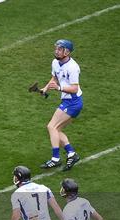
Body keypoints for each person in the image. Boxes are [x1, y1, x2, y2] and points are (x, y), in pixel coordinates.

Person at [39, 39, 82, 171]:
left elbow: (74, 88)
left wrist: (58, 88)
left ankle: (55, 159)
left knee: (51, 126)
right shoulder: (55, 62)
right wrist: (45, 88)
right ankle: (71, 154)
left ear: (67, 52)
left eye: (59, 49)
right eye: (56, 48)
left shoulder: (73, 68)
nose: (56, 51)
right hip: (68, 101)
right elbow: (55, 78)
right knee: (56, 129)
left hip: (73, 101)